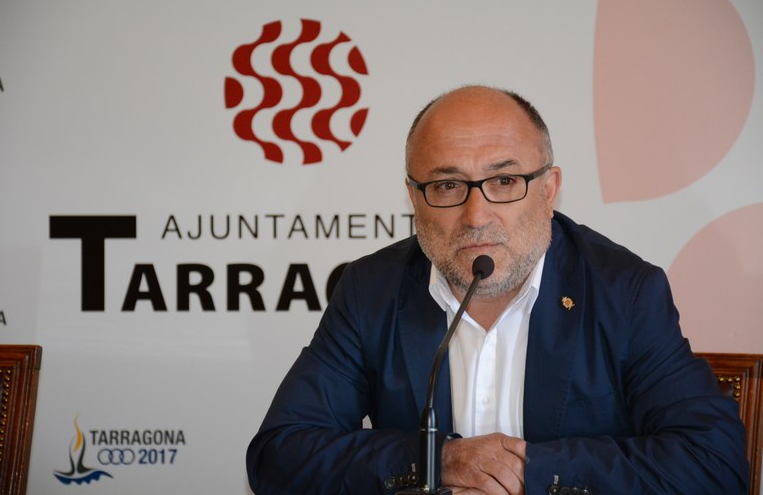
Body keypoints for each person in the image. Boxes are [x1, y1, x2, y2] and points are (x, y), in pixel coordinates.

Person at [246, 86, 749, 495]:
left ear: (548, 190)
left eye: (504, 181)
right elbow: (279, 455)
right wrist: (440, 460)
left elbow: (714, 463)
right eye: (447, 186)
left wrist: (526, 472)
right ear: (414, 198)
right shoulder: (370, 290)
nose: (476, 215)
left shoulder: (624, 292)